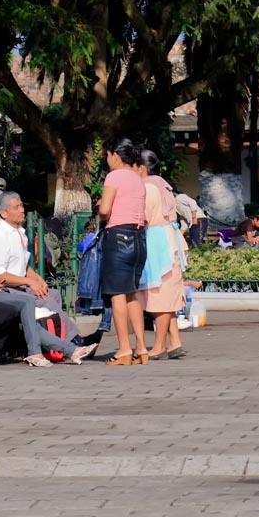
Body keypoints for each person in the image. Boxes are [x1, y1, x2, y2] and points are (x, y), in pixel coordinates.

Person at [0, 191, 96, 366]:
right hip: (3, 289)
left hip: (18, 285)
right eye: (16, 207)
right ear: (4, 213)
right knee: (44, 301)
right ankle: (73, 343)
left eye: (21, 206)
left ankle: (60, 344)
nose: (22, 210)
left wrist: (37, 279)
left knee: (53, 294)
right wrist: (29, 282)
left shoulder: (19, 232)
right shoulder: (0, 237)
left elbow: (23, 266)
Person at [98, 138, 150, 366]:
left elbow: (105, 209)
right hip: (139, 238)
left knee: (117, 294)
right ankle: (141, 347)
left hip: (118, 237)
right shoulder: (138, 179)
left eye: (107, 156)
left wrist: (100, 207)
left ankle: (123, 349)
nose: (107, 161)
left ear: (115, 155)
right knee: (132, 294)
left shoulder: (114, 176)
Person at [136, 150, 188, 360]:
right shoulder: (164, 184)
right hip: (170, 238)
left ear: (141, 167)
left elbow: (144, 217)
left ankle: (159, 345)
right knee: (169, 290)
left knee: (160, 295)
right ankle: (174, 341)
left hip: (158, 242)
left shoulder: (148, 186)